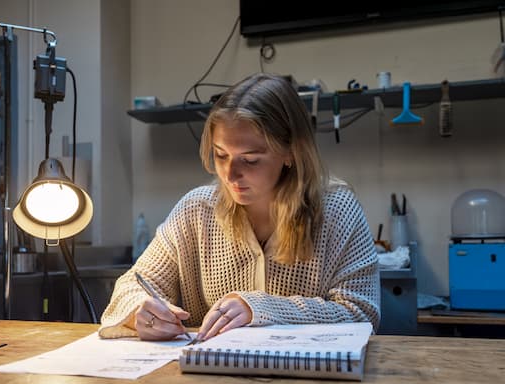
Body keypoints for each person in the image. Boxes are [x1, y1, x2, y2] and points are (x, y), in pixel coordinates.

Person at [99, 73, 380, 341]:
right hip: (213, 380)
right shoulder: (196, 210)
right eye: (221, 155)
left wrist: (261, 308)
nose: (230, 175)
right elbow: (131, 286)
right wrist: (140, 311)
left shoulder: (336, 209)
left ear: (290, 152)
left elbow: (362, 313)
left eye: (251, 159)